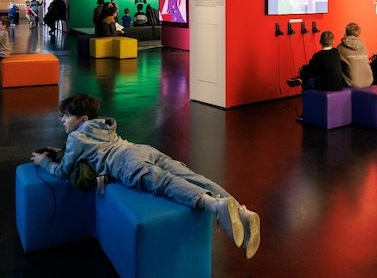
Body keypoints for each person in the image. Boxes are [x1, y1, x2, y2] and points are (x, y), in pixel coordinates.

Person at [31, 94, 261, 259]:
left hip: (125, 164)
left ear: (82, 119)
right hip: (141, 149)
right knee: (193, 176)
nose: (62, 120)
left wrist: (44, 162)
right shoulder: (102, 125)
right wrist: (61, 152)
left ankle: (215, 204)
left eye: (67, 116)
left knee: (166, 184)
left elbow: (63, 172)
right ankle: (242, 211)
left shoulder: (76, 138)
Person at [336, 22, 373, 88]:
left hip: (352, 83)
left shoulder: (340, 48)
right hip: (368, 81)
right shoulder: (363, 46)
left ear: (345, 33)